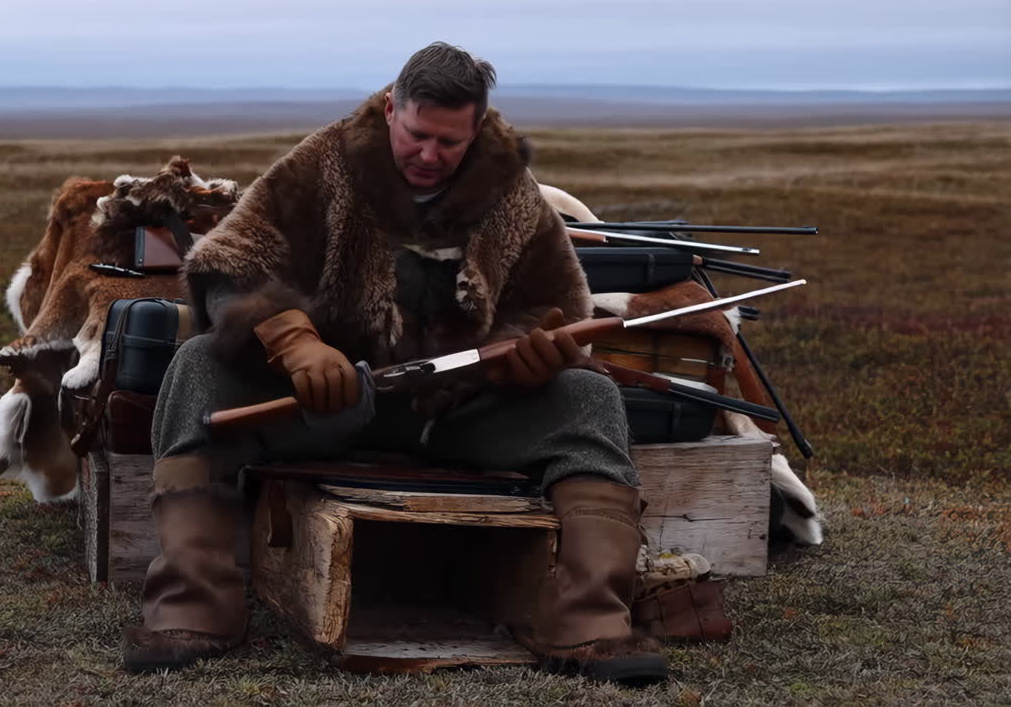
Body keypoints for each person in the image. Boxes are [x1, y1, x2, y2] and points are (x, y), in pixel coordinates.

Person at [120, 42, 667, 686]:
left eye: (449, 142)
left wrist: (531, 352)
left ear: (476, 128)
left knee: (589, 398)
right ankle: (193, 607)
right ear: (390, 108)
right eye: (417, 135)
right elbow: (229, 261)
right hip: (328, 403)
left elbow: (558, 305)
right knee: (196, 367)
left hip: (462, 415)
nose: (430, 155)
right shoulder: (324, 163)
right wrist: (296, 342)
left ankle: (588, 624)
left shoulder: (511, 191)